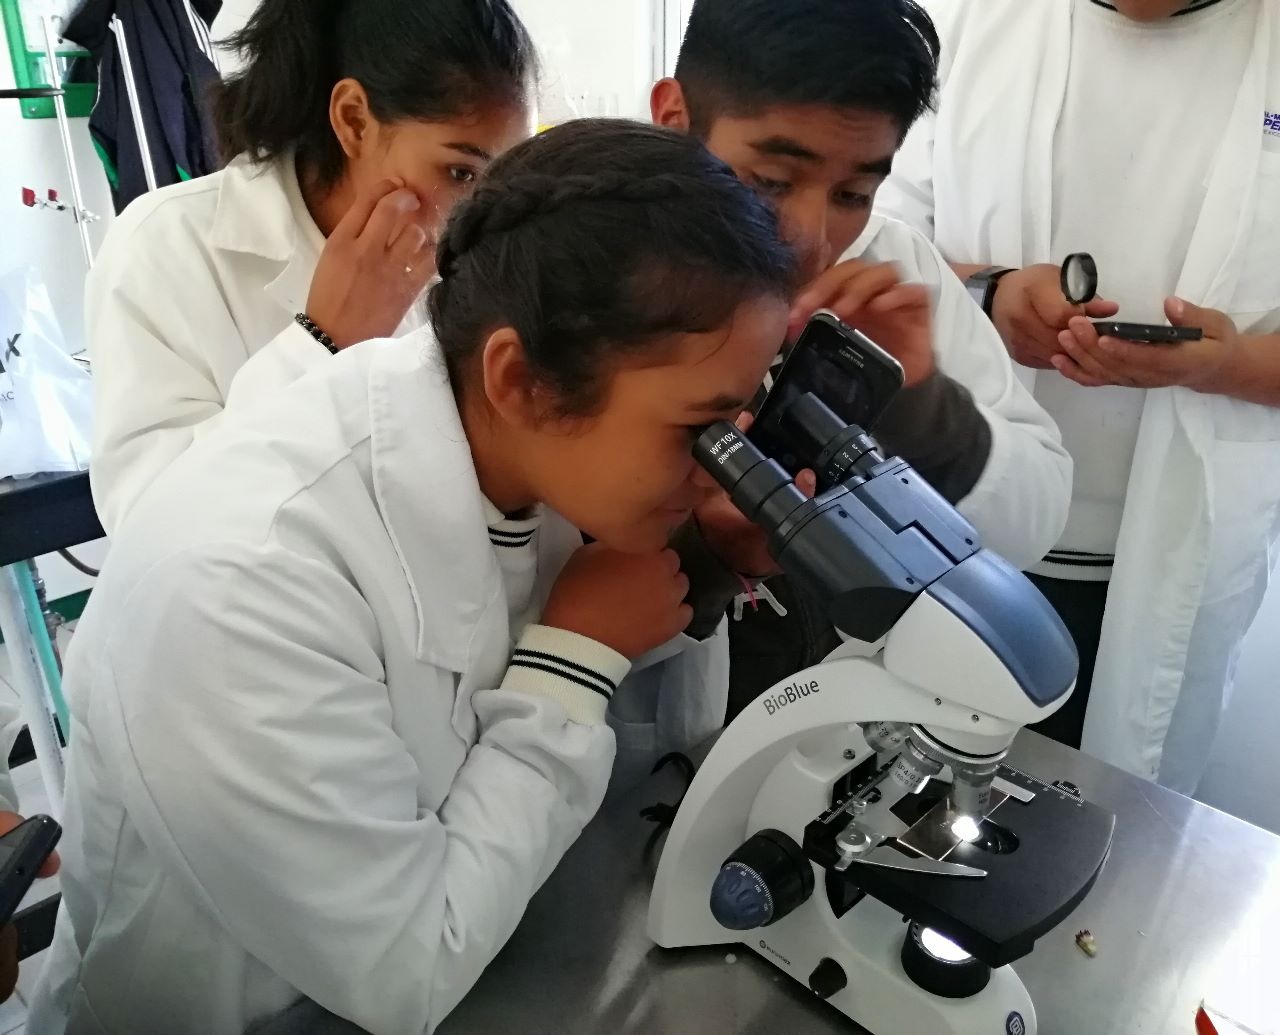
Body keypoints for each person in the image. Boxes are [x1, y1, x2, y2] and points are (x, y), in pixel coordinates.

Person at [29, 119, 797, 1034]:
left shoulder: (513, 441)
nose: (718, 468)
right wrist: (574, 660)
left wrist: (711, 559)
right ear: (522, 380)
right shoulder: (242, 585)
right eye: (698, 426)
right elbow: (406, 966)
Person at [876, 0, 1280, 791]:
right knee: (912, 797)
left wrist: (1225, 366)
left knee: (1111, 820)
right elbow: (871, 241)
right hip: (951, 525)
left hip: (1171, 562)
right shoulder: (970, 24)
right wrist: (990, 295)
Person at [651, 0, 1073, 713]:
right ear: (674, 120)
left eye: (853, 193)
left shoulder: (892, 268)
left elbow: (1033, 524)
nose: (811, 237)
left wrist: (923, 410)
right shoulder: (590, 264)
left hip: (842, 709)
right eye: (770, 181)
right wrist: (707, 552)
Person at [87, 0, 535, 535]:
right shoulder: (166, 245)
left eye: (503, 178)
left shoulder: (473, 252)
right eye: (460, 173)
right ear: (353, 121)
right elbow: (148, 522)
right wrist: (323, 341)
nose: (482, 213)